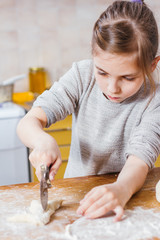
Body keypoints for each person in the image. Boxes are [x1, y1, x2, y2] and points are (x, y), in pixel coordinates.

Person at [17, 0, 160, 222]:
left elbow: (140, 159)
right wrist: (42, 141)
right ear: (93, 55)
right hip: (78, 200)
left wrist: (121, 189)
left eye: (128, 77)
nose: (113, 88)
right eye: (102, 72)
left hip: (126, 201)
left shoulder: (155, 100)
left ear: (152, 65)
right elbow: (29, 121)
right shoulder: (82, 76)